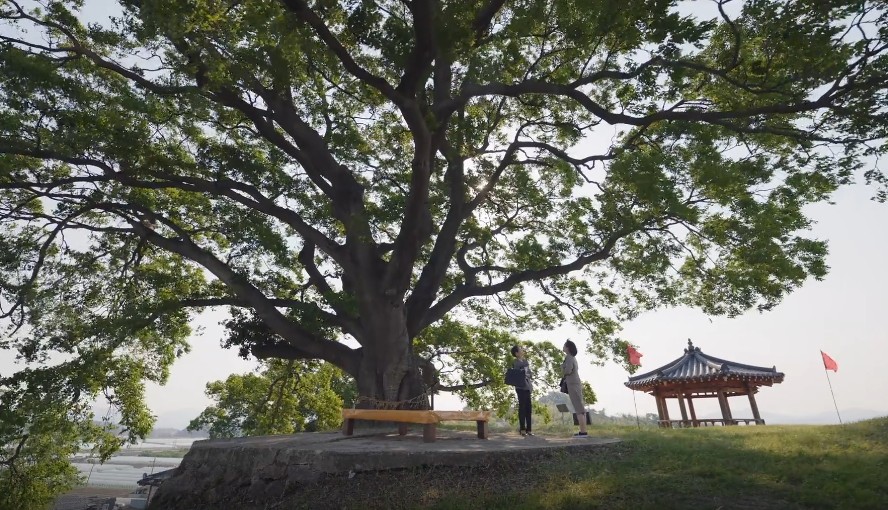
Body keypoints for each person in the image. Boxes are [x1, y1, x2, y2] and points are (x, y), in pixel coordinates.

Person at [561, 340, 588, 437]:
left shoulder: (568, 357)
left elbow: (568, 370)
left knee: (578, 407)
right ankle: (583, 431)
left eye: (564, 346)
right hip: (575, 383)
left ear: (568, 348)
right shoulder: (573, 357)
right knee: (579, 406)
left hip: (572, 383)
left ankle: (583, 432)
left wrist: (562, 367)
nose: (563, 347)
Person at [510, 345, 533, 436]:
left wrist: (525, 371)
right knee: (522, 407)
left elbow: (529, 373)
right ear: (516, 353)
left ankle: (529, 429)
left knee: (529, 408)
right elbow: (520, 373)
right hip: (520, 387)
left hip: (527, 386)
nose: (522, 351)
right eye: (520, 350)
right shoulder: (515, 362)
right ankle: (522, 429)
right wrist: (524, 370)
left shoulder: (525, 361)